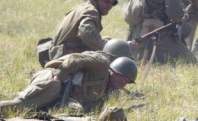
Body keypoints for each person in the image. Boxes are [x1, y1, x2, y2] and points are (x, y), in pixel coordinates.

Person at [0, 45, 136, 114]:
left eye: (128, 81)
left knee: (75, 111)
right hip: (54, 79)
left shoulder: (107, 89)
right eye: (123, 77)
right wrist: (59, 77)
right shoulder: (101, 64)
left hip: (65, 95)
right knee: (22, 106)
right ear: (113, 70)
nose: (124, 82)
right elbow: (74, 59)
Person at [48, 0, 119, 61]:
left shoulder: (83, 8)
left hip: (60, 52)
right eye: (106, 1)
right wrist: (109, 48)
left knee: (109, 40)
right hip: (64, 56)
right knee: (106, 59)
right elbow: (87, 34)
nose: (109, 6)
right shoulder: (91, 10)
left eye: (112, 3)